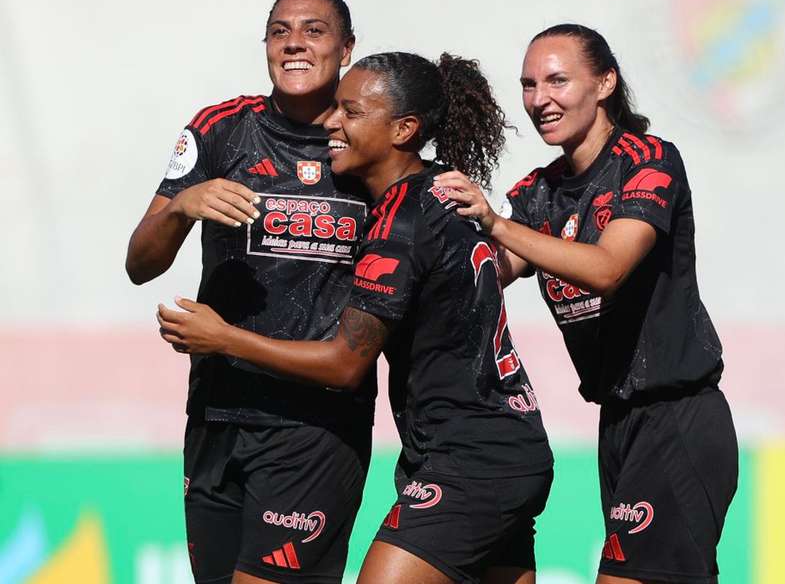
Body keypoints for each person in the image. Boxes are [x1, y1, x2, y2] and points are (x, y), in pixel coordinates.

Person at [157, 51, 555, 584]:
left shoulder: (400, 221)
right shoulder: (441, 191)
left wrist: (224, 337)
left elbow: (347, 363)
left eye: (350, 112)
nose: (330, 122)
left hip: (469, 460)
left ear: (404, 129)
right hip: (496, 445)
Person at [436, 24, 738, 584]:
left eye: (557, 80)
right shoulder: (537, 192)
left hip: (678, 418)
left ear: (604, 83)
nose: (539, 99)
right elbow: (486, 278)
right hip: (618, 424)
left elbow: (606, 269)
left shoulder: (650, 162)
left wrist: (495, 223)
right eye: (528, 84)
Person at [126, 0, 375, 582]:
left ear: (346, 48)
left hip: (315, 425)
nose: (293, 43)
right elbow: (140, 263)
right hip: (217, 412)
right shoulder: (219, 130)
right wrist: (183, 206)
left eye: (314, 31)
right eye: (279, 31)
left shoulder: (369, 144)